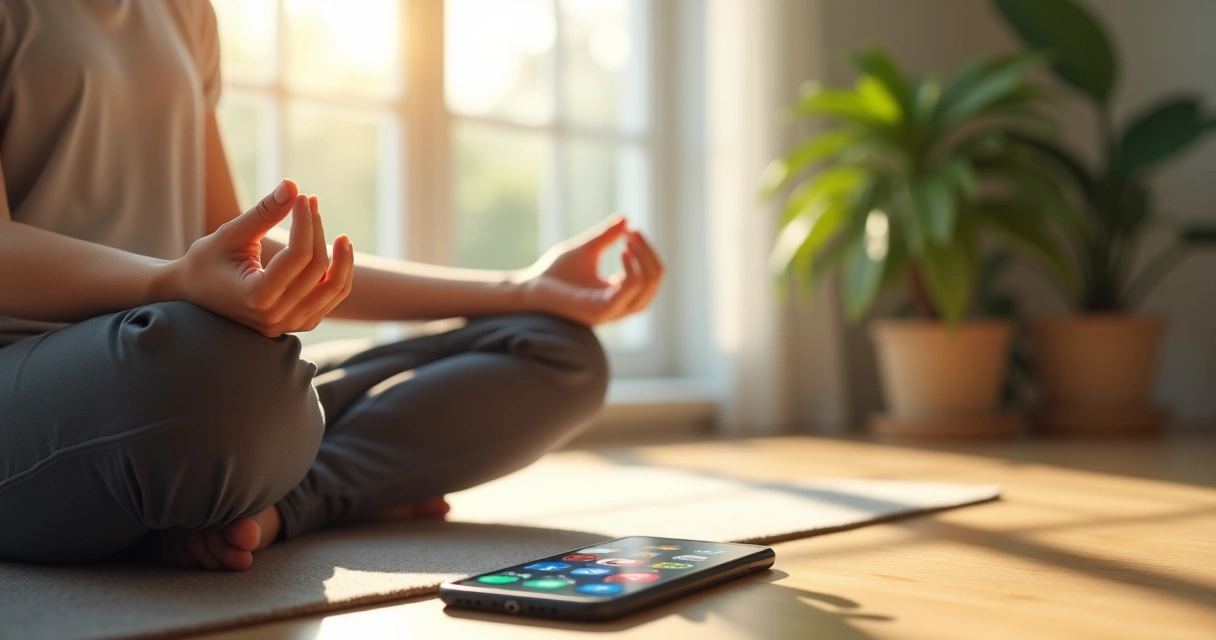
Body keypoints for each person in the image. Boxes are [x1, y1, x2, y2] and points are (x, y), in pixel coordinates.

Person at [0, 0, 662, 572]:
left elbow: (232, 254)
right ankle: (295, 476)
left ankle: (282, 503)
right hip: (74, 383)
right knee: (217, 375)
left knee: (558, 351)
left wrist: (520, 289)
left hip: (200, 375)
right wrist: (171, 282)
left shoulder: (183, 11)